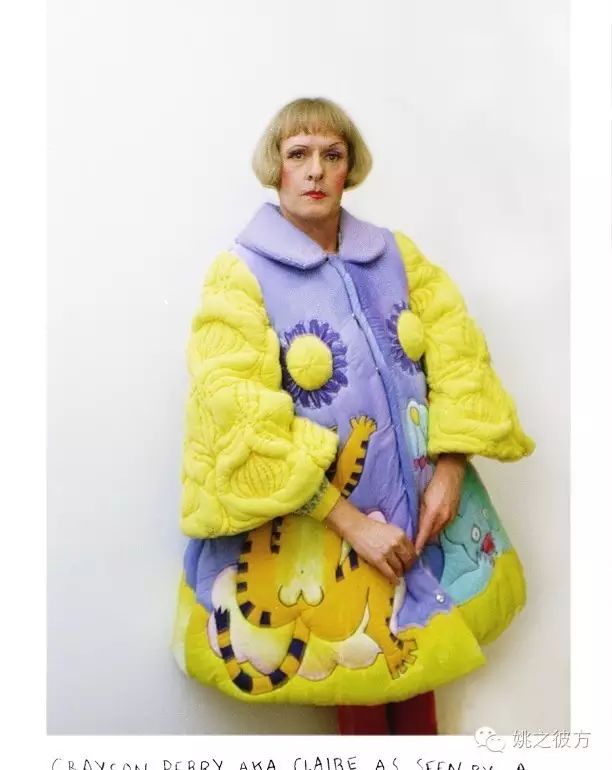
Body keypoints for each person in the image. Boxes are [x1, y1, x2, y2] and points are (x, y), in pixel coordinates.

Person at [172, 97, 534, 735]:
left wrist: (451, 467)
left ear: (350, 169)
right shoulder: (240, 275)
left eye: (331, 155)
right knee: (362, 681)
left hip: (423, 516)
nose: (315, 170)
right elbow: (237, 418)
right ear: (276, 168)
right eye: (298, 154)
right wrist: (354, 526)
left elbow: (459, 358)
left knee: (420, 679)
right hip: (322, 532)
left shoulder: (397, 255)